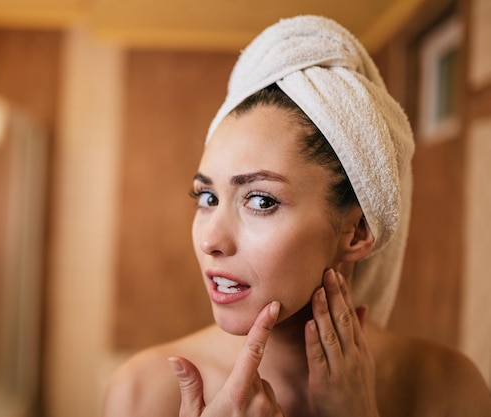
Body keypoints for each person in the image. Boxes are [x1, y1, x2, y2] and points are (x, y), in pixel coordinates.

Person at [102, 15, 491, 417]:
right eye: (207, 197)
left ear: (357, 231)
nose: (210, 240)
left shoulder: (447, 389)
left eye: (260, 201)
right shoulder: (143, 394)